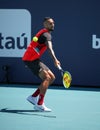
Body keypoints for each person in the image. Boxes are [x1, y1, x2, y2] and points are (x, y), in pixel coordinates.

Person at [22, 17, 60, 112]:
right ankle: (39, 104)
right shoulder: (46, 35)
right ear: (45, 25)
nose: (52, 25)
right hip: (30, 60)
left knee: (52, 77)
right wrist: (55, 60)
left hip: (34, 59)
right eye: (50, 23)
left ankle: (33, 97)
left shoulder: (44, 33)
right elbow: (50, 49)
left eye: (53, 23)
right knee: (46, 78)